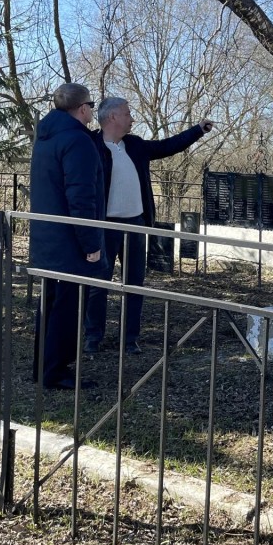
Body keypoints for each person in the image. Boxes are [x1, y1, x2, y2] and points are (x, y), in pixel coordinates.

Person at [84, 97, 213, 354]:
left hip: (136, 226)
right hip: (105, 226)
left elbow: (168, 146)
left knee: (134, 284)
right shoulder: (90, 146)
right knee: (98, 284)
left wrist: (198, 130)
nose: (132, 118)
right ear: (112, 118)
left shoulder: (135, 145)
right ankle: (93, 337)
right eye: (128, 113)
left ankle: (129, 339)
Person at [29, 83, 105, 390]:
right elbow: (81, 197)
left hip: (48, 236)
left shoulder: (45, 138)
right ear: (83, 109)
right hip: (71, 242)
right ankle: (55, 372)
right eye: (91, 106)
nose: (91, 113)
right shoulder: (77, 141)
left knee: (50, 304)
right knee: (67, 308)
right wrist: (91, 244)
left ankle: (43, 367)